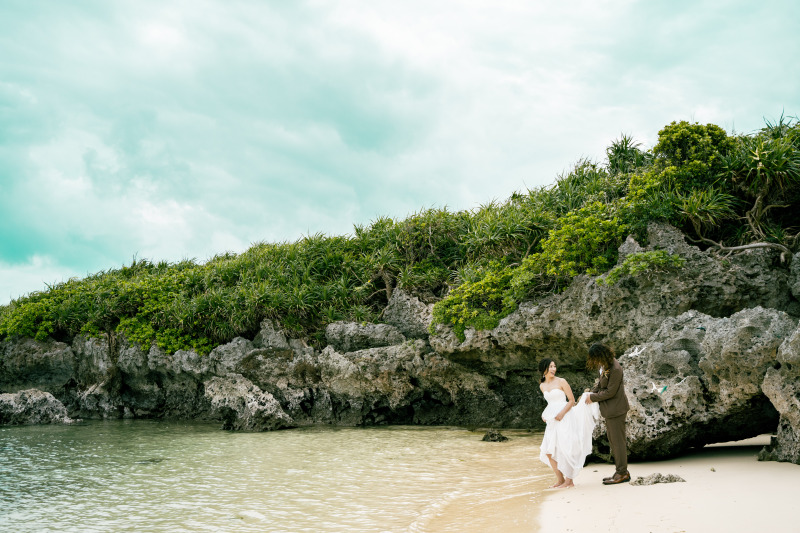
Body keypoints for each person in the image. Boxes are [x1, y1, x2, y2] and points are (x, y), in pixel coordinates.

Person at [538, 358, 599, 489]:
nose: (553, 369)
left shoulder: (562, 381)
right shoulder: (542, 385)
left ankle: (569, 481)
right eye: (551, 366)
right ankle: (560, 480)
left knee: (566, 448)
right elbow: (550, 403)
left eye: (554, 366)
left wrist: (561, 414)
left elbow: (571, 400)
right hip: (552, 421)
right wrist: (545, 414)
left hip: (565, 417)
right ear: (544, 369)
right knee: (548, 451)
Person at [584, 342, 631, 485]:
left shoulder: (615, 368)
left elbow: (611, 391)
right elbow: (600, 384)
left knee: (618, 443)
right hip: (610, 410)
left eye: (595, 358)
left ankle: (622, 473)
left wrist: (592, 398)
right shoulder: (606, 365)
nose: (595, 361)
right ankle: (620, 471)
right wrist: (591, 392)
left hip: (616, 410)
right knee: (613, 442)